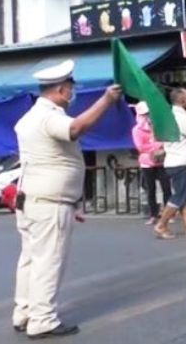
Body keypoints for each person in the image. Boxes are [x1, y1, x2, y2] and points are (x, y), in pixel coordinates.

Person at [12, 60, 122, 339]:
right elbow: (75, 128)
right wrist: (106, 100)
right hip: (49, 203)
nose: (73, 93)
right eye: (71, 88)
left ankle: (23, 311)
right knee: (48, 261)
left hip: (32, 199)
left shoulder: (29, 117)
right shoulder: (50, 116)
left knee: (30, 259)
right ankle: (43, 320)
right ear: (61, 90)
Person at [154, 88, 186, 239]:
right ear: (183, 100)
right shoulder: (181, 117)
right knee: (180, 195)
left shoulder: (170, 115)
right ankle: (161, 224)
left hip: (173, 160)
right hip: (182, 161)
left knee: (184, 195)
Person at [131, 101, 171, 225]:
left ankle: (167, 214)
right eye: (144, 114)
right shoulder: (137, 130)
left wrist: (156, 143)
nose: (147, 117)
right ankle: (153, 215)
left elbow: (165, 141)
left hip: (161, 161)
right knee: (151, 189)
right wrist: (156, 146)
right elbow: (140, 147)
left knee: (166, 187)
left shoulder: (158, 127)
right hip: (147, 163)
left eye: (148, 114)